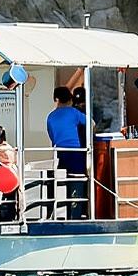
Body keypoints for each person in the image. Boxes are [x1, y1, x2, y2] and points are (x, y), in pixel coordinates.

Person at [47, 85, 89, 216]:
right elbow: (91, 123)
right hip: (76, 152)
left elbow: (52, 137)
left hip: (60, 153)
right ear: (70, 100)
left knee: (62, 183)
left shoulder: (51, 117)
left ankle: (61, 214)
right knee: (77, 182)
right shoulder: (74, 112)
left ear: (56, 100)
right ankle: (76, 214)